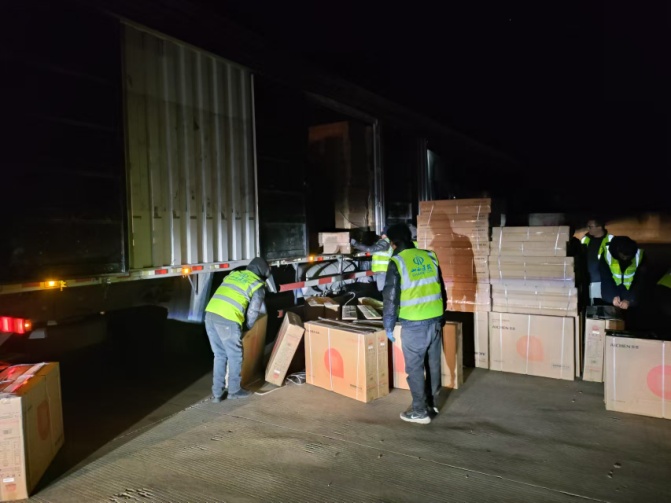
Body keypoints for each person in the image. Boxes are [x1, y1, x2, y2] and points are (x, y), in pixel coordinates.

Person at [382, 223, 446, 425]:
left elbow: (391, 298)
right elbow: (441, 288)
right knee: (433, 365)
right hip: (435, 320)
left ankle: (419, 411)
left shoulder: (397, 261)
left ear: (392, 243)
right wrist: (442, 315)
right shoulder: (430, 256)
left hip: (414, 324)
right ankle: (432, 404)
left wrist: (388, 326)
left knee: (415, 368)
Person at [204, 257, 276, 402]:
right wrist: (246, 328)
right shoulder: (257, 285)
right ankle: (234, 390)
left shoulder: (234, 274)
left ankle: (217, 394)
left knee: (219, 354)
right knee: (235, 355)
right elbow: (253, 312)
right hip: (227, 319)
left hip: (210, 315)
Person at [599, 236, 647, 324]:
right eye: (623, 256)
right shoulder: (606, 255)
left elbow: (641, 280)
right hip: (611, 295)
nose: (625, 259)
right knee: (610, 322)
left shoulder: (640, 256)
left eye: (628, 257)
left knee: (632, 322)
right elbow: (605, 277)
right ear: (617, 251)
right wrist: (612, 296)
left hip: (631, 295)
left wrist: (629, 299)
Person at [580, 218, 614, 305]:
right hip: (588, 281)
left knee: (602, 306)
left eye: (590, 226)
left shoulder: (611, 240)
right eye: (587, 226)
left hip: (604, 281)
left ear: (599, 227)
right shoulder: (585, 239)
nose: (588, 229)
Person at [351, 226, 392, 292]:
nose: (381, 235)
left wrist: (355, 243)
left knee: (382, 292)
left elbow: (369, 249)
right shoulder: (386, 242)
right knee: (383, 291)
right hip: (382, 271)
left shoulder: (385, 242)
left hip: (383, 271)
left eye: (382, 233)